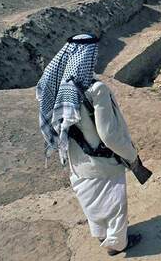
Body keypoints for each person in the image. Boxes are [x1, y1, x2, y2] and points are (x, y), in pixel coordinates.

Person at [36, 33, 141, 256]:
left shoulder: (59, 88)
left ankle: (102, 236)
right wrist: (131, 155)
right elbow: (109, 134)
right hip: (102, 162)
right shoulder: (96, 90)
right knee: (114, 205)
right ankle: (117, 245)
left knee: (92, 203)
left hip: (76, 161)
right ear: (87, 57)